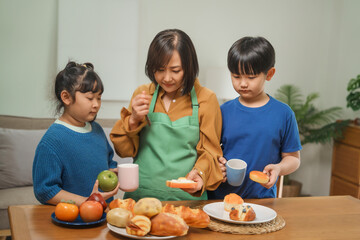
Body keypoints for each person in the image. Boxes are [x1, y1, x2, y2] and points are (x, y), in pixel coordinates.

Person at [110, 29, 223, 201]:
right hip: (140, 199)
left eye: (175, 70)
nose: (167, 78)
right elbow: (124, 150)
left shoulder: (206, 99)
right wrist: (133, 119)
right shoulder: (142, 94)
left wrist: (200, 175)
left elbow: (210, 152)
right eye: (160, 70)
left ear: (189, 66)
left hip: (187, 201)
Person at [208, 36, 302, 199]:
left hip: (262, 202)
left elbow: (293, 159)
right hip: (220, 200)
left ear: (269, 74)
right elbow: (209, 152)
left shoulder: (283, 114)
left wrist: (279, 168)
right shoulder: (222, 111)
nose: (243, 83)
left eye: (251, 77)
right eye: (236, 76)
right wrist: (216, 166)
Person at [32, 61, 120, 206]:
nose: (96, 104)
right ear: (66, 97)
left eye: (99, 97)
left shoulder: (96, 129)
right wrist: (86, 202)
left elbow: (108, 162)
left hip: (103, 215)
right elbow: (45, 190)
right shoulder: (52, 141)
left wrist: (114, 171)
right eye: (90, 98)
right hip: (72, 221)